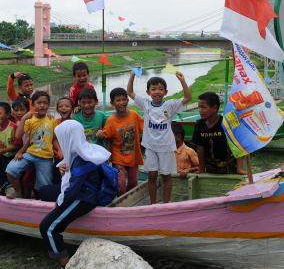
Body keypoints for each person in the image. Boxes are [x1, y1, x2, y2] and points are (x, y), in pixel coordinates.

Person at [39, 120, 111, 267]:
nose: (60, 142)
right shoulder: (85, 149)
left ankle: (66, 265)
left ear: (68, 138)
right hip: (83, 190)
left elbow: (71, 193)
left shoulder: (82, 161)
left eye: (61, 139)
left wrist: (59, 204)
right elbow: (70, 170)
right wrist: (62, 168)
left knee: (47, 228)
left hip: (84, 198)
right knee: (44, 191)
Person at [127, 72, 192, 204]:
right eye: (154, 89)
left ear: (166, 92)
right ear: (148, 91)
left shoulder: (170, 105)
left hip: (166, 147)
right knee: (151, 175)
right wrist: (133, 75)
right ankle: (153, 204)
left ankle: (166, 204)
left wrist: (182, 81)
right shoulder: (145, 104)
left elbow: (188, 97)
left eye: (161, 89)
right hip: (150, 146)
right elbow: (130, 92)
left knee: (166, 175)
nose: (157, 92)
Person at [6, 91, 56, 199]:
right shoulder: (29, 120)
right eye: (39, 102)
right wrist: (24, 118)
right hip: (31, 153)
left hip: (46, 157)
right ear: (33, 105)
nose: (42, 105)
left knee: (44, 186)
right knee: (10, 170)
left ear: (48, 105)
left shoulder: (52, 120)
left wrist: (60, 151)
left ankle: (41, 201)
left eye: (45, 103)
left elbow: (54, 138)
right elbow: (19, 136)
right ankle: (18, 192)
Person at [192, 92, 246, 175]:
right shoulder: (199, 125)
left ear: (214, 108)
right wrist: (202, 170)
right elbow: (200, 149)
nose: (200, 110)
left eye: (203, 107)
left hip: (229, 168)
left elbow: (238, 144)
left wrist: (240, 169)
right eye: (199, 107)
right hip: (210, 168)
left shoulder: (226, 124)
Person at [102, 88, 144, 195]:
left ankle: (129, 204)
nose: (122, 103)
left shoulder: (134, 115)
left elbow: (145, 128)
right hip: (118, 159)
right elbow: (105, 135)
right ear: (112, 103)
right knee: (120, 185)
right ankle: (121, 204)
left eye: (124, 100)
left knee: (133, 183)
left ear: (127, 101)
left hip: (133, 157)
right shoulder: (111, 121)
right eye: (118, 100)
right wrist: (100, 134)